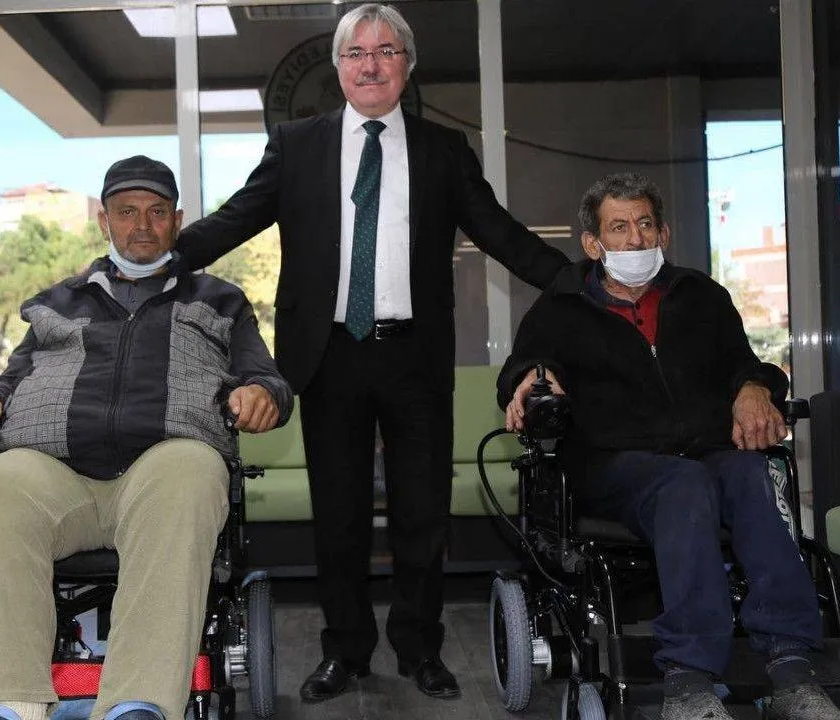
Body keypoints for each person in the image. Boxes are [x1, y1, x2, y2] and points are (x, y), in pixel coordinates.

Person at [177, 3, 568, 704]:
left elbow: (500, 232)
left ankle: (420, 647)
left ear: (406, 66)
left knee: (423, 513)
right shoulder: (297, 145)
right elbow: (236, 218)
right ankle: (345, 651)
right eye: (356, 53)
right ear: (338, 67)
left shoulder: (444, 150)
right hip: (329, 354)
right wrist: (158, 261)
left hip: (416, 355)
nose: (371, 64)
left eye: (386, 51)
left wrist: (581, 285)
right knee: (340, 516)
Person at [0, 156, 292, 720]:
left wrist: (262, 394)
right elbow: (15, 374)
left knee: (190, 472)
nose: (142, 225)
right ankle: (3, 704)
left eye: (157, 212)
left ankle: (136, 704)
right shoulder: (58, 302)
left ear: (177, 221)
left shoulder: (218, 299)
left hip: (162, 467)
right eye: (127, 212)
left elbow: (266, 376)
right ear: (105, 221)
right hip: (57, 474)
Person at [498, 172, 840, 720]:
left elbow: (744, 365)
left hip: (706, 452)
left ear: (663, 233)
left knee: (752, 474)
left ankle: (792, 669)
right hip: (612, 463)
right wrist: (531, 379)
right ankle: (688, 683)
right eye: (619, 228)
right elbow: (523, 370)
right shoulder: (560, 309)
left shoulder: (701, 297)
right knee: (684, 483)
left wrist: (754, 388)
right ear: (593, 243)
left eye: (645, 224)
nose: (636, 239)